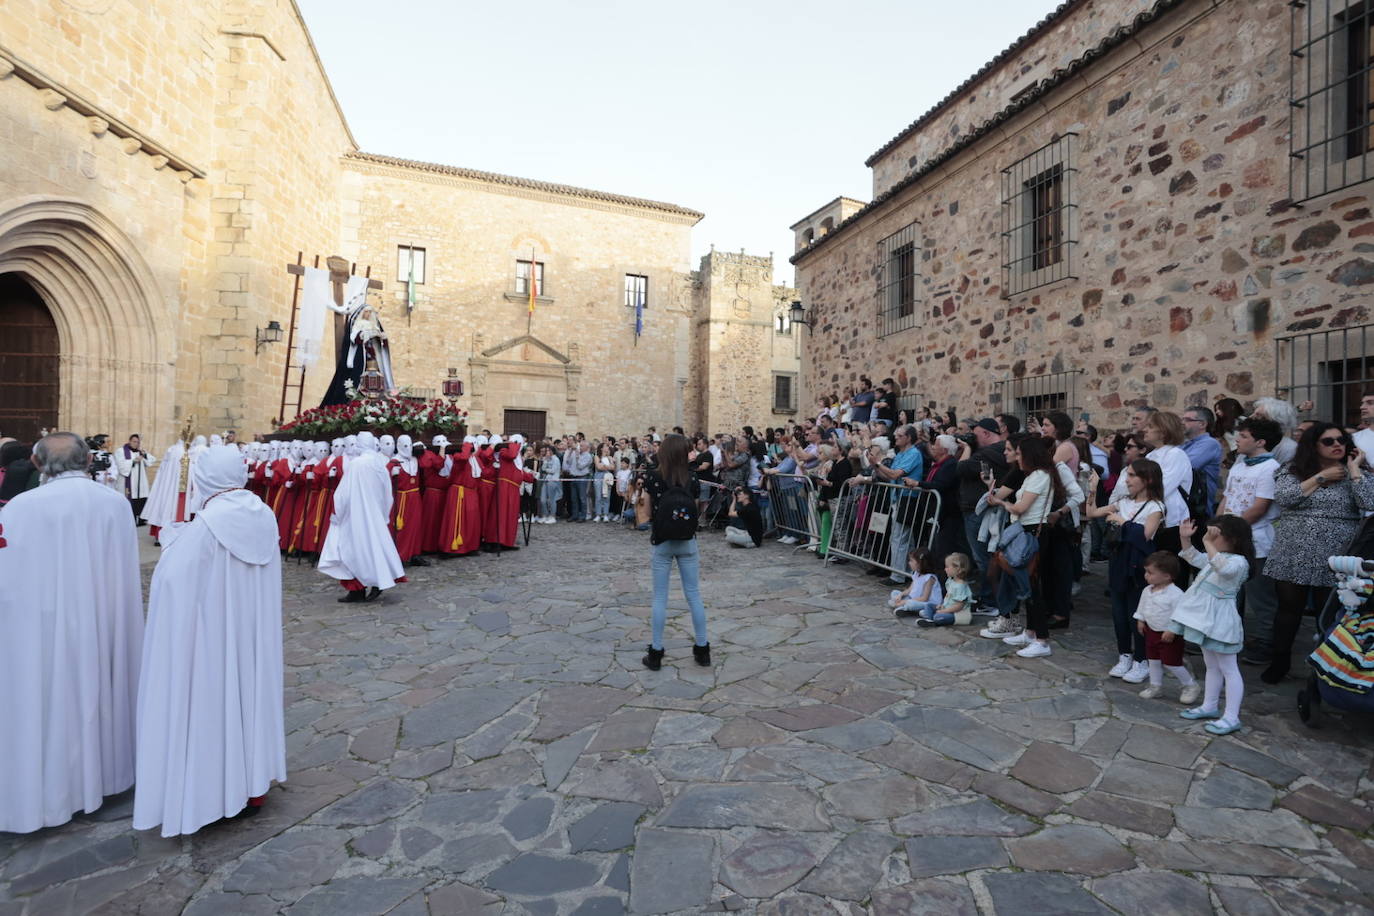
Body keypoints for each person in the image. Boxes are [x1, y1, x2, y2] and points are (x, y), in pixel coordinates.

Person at [133, 444, 286, 835]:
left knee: (213, 704)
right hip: (250, 632)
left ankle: (217, 789)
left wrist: (172, 543)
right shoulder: (262, 512)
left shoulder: (209, 523)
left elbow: (173, 581)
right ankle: (251, 783)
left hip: (213, 637)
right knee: (248, 698)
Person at [0, 432, 144, 832]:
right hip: (103, 620)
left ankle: (55, 786)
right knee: (99, 692)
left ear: (38, 463)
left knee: (49, 700)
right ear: (86, 461)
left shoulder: (21, 508)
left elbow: (9, 580)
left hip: (44, 626)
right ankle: (105, 774)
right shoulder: (115, 504)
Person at [1260, 422, 1374, 683]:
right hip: (1294, 549)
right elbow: (1285, 498)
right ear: (1313, 446)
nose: (1337, 445)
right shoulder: (1294, 470)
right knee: (1288, 609)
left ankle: (1327, 667)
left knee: (1330, 612)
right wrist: (1320, 478)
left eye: (1341, 440)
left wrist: (1354, 470)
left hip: (1337, 553)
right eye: (1329, 441)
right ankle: (1280, 662)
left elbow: (1370, 503)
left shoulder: (1358, 473)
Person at [1171, 515, 1253, 735]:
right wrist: (1185, 539)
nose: (1209, 538)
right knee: (1212, 665)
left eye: (1214, 534)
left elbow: (1223, 570)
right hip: (1206, 621)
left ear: (1233, 539)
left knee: (1229, 668)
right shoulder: (1217, 557)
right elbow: (1193, 557)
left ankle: (1231, 716)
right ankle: (1210, 705)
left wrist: (1207, 543)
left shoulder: (1238, 562)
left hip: (1222, 623)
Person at [1086, 460, 1165, 683]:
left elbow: (1145, 536)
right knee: (1119, 614)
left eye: (1132, 475)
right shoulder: (1122, 502)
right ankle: (1125, 655)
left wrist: (1122, 522)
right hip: (1119, 560)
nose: (1127, 480)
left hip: (1140, 565)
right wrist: (1093, 489)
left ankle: (1142, 660)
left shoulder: (1155, 507)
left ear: (1147, 479)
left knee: (1136, 614)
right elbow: (1092, 513)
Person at [982, 436, 1059, 657]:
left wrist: (1001, 502)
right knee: (1027, 584)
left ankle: (1042, 640)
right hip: (1026, 530)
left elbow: (1020, 508)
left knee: (1033, 585)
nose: (1017, 457)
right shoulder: (1033, 476)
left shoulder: (1040, 476)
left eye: (1019, 453)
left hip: (1033, 532)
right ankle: (1031, 631)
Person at [640, 434, 709, 671]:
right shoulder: (692, 478)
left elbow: (647, 512)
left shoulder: (654, 477)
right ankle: (702, 648)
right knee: (693, 595)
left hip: (663, 540)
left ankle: (656, 651)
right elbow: (698, 509)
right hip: (688, 541)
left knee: (660, 597)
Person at [1216, 418, 1282, 662]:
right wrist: (1216, 524)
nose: (1237, 440)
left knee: (1260, 595)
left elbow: (1260, 507)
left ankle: (1266, 642)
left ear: (1260, 442)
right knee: (1230, 592)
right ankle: (1229, 634)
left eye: (1243, 436)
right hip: (1230, 537)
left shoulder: (1270, 468)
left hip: (1255, 540)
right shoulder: (1240, 464)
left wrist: (1233, 531)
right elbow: (1228, 496)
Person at [318, 431, 406, 602]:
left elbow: (343, 492)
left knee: (352, 550)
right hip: (374, 514)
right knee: (373, 548)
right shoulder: (379, 464)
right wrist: (383, 513)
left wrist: (337, 512)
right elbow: (387, 492)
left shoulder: (357, 464)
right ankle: (372, 584)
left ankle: (357, 589)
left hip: (355, 514)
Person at [1133, 551, 1200, 703]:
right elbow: (1142, 606)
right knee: (1153, 660)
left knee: (1172, 663)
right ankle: (1155, 686)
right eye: (1146, 572)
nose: (1146, 575)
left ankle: (1190, 685)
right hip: (1151, 631)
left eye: (1150, 573)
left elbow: (1180, 614)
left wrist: (1172, 630)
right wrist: (1141, 620)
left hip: (1168, 635)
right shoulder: (1147, 590)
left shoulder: (1175, 594)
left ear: (1167, 576)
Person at [389, 434, 428, 564]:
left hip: (415, 497)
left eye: (410, 445)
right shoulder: (394, 461)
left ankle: (415, 553)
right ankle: (399, 555)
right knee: (402, 528)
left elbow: (427, 463)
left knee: (416, 526)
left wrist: (422, 450)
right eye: (405, 445)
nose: (408, 448)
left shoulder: (415, 459)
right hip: (402, 499)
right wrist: (391, 474)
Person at [1181, 406, 1223, 515]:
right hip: (1183, 508)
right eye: (1182, 419)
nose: (1182, 423)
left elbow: (1184, 467)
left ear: (1203, 424)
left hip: (1198, 510)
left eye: (1188, 420)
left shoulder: (1209, 444)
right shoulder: (1183, 444)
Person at [917, 553, 975, 628]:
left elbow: (959, 606)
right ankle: (929, 619)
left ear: (958, 569)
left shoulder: (961, 586)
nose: (945, 569)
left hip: (957, 614)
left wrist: (944, 611)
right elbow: (949, 598)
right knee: (928, 605)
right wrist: (942, 606)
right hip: (947, 608)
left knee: (937, 617)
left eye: (947, 567)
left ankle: (931, 617)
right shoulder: (951, 581)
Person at [114, 433, 156, 524]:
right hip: (129, 482)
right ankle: (130, 520)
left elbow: (152, 461)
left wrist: (144, 455)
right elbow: (121, 465)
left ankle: (141, 520)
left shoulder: (140, 452)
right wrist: (133, 461)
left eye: (138, 442)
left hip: (140, 482)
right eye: (134, 442)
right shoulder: (121, 451)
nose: (136, 444)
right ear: (129, 441)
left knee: (141, 499)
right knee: (131, 500)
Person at [888, 547, 943, 616]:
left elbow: (924, 598)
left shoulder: (929, 578)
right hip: (915, 598)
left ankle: (903, 607)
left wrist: (906, 601)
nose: (909, 563)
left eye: (911, 561)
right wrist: (901, 595)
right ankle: (903, 607)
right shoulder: (916, 573)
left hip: (928, 603)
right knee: (895, 592)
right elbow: (910, 589)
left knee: (911, 604)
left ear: (920, 563)